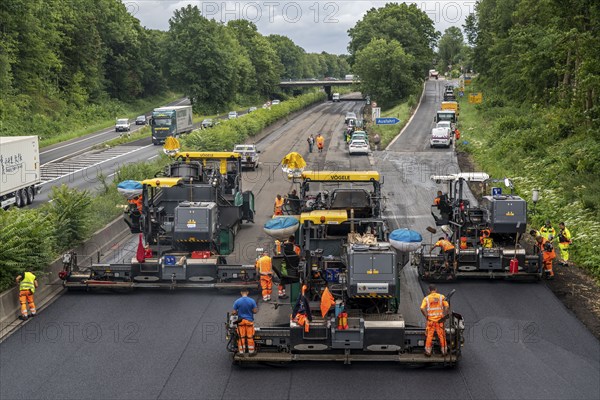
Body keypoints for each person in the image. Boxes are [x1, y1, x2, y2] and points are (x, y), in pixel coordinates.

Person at [420, 284, 449, 357]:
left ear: (429, 290)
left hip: (431, 321)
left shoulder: (426, 298)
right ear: (436, 289)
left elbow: (422, 308)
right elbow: (446, 306)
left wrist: (426, 316)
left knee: (429, 335)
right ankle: (444, 350)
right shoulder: (441, 297)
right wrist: (444, 316)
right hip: (440, 320)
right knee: (442, 335)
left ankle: (428, 351)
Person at [232, 288, 258, 355]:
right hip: (249, 321)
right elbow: (255, 311)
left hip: (241, 322)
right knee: (250, 337)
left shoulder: (237, 301)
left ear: (241, 292)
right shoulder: (252, 301)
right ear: (247, 292)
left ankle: (241, 352)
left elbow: (234, 312)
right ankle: (251, 352)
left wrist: (237, 312)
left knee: (241, 337)